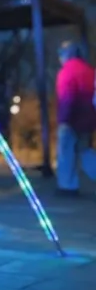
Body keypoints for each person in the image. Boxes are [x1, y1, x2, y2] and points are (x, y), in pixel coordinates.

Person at [54, 41, 96, 196]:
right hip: (89, 120)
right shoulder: (90, 71)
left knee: (66, 152)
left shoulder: (66, 72)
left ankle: (67, 186)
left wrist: (63, 120)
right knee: (85, 151)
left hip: (71, 120)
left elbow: (67, 97)